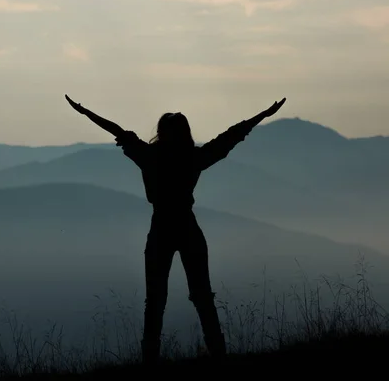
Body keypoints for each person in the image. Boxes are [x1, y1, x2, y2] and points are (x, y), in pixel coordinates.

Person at [64, 94, 287, 365]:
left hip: (162, 228)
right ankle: (217, 355)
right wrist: (262, 115)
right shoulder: (192, 157)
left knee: (158, 301)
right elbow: (231, 137)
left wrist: (86, 112)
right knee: (198, 297)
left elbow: (118, 131)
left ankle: (153, 361)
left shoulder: (149, 155)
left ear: (160, 133)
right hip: (186, 226)